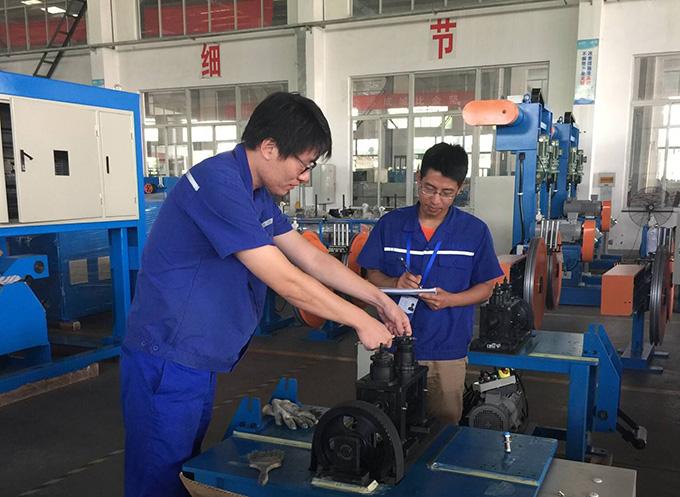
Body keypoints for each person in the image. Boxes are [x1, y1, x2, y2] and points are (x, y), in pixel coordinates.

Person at [120, 92, 411, 497]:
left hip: (194, 357)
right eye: (304, 164)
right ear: (270, 147)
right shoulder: (217, 183)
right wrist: (360, 321)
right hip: (167, 356)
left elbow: (310, 258)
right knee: (159, 477)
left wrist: (379, 300)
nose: (305, 177)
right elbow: (286, 279)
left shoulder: (254, 194)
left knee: (182, 469)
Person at [357, 142, 503, 425]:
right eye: (428, 189)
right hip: (393, 346)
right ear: (418, 178)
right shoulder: (390, 225)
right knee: (391, 425)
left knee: (444, 425)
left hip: (446, 350)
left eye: (447, 193)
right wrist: (395, 282)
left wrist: (451, 300)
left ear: (460, 189)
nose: (435, 200)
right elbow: (371, 276)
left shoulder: (474, 232)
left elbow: (486, 288)